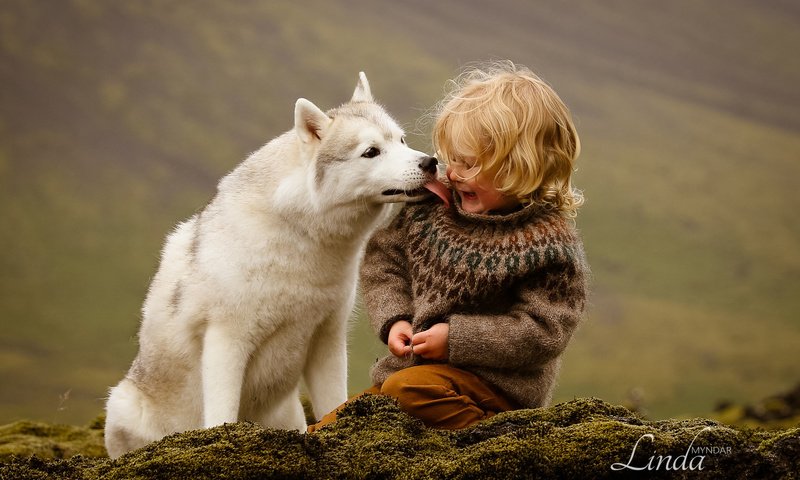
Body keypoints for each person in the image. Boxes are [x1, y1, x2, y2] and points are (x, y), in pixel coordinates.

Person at [308, 60, 589, 432]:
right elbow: (383, 262)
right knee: (327, 431)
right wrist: (396, 319)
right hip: (409, 375)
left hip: (493, 388)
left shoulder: (549, 244)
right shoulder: (433, 205)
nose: (452, 173)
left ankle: (497, 441)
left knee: (408, 392)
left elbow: (543, 331)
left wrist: (456, 340)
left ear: (521, 168)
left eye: (469, 164)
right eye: (451, 158)